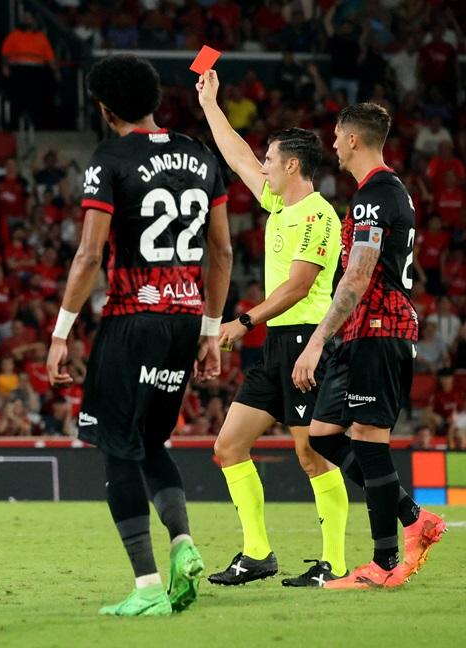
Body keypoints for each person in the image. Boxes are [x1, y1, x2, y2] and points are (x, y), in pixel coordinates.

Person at [45, 56, 232, 617]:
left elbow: (88, 255)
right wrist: (210, 329)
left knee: (117, 447)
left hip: (132, 317)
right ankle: (183, 543)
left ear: (105, 109)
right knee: (151, 442)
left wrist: (60, 333)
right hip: (186, 319)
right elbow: (222, 251)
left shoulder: (111, 159)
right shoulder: (201, 155)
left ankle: (148, 587)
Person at [196, 69, 348, 587]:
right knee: (228, 447)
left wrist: (243, 321)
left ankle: (334, 563)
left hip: (308, 342)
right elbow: (236, 154)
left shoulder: (319, 215)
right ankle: (257, 554)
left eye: (269, 159)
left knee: (312, 455)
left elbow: (299, 287)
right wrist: (210, 104)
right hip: (278, 344)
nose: (261, 166)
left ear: (292, 165)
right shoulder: (279, 203)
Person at [292, 104, 446, 589]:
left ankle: (383, 564)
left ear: (354, 139)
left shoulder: (376, 195)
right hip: (363, 330)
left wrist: (317, 341)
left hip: (381, 327)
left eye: (337, 136)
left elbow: (358, 276)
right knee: (323, 433)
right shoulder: (379, 193)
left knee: (367, 438)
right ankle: (414, 517)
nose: (333, 145)